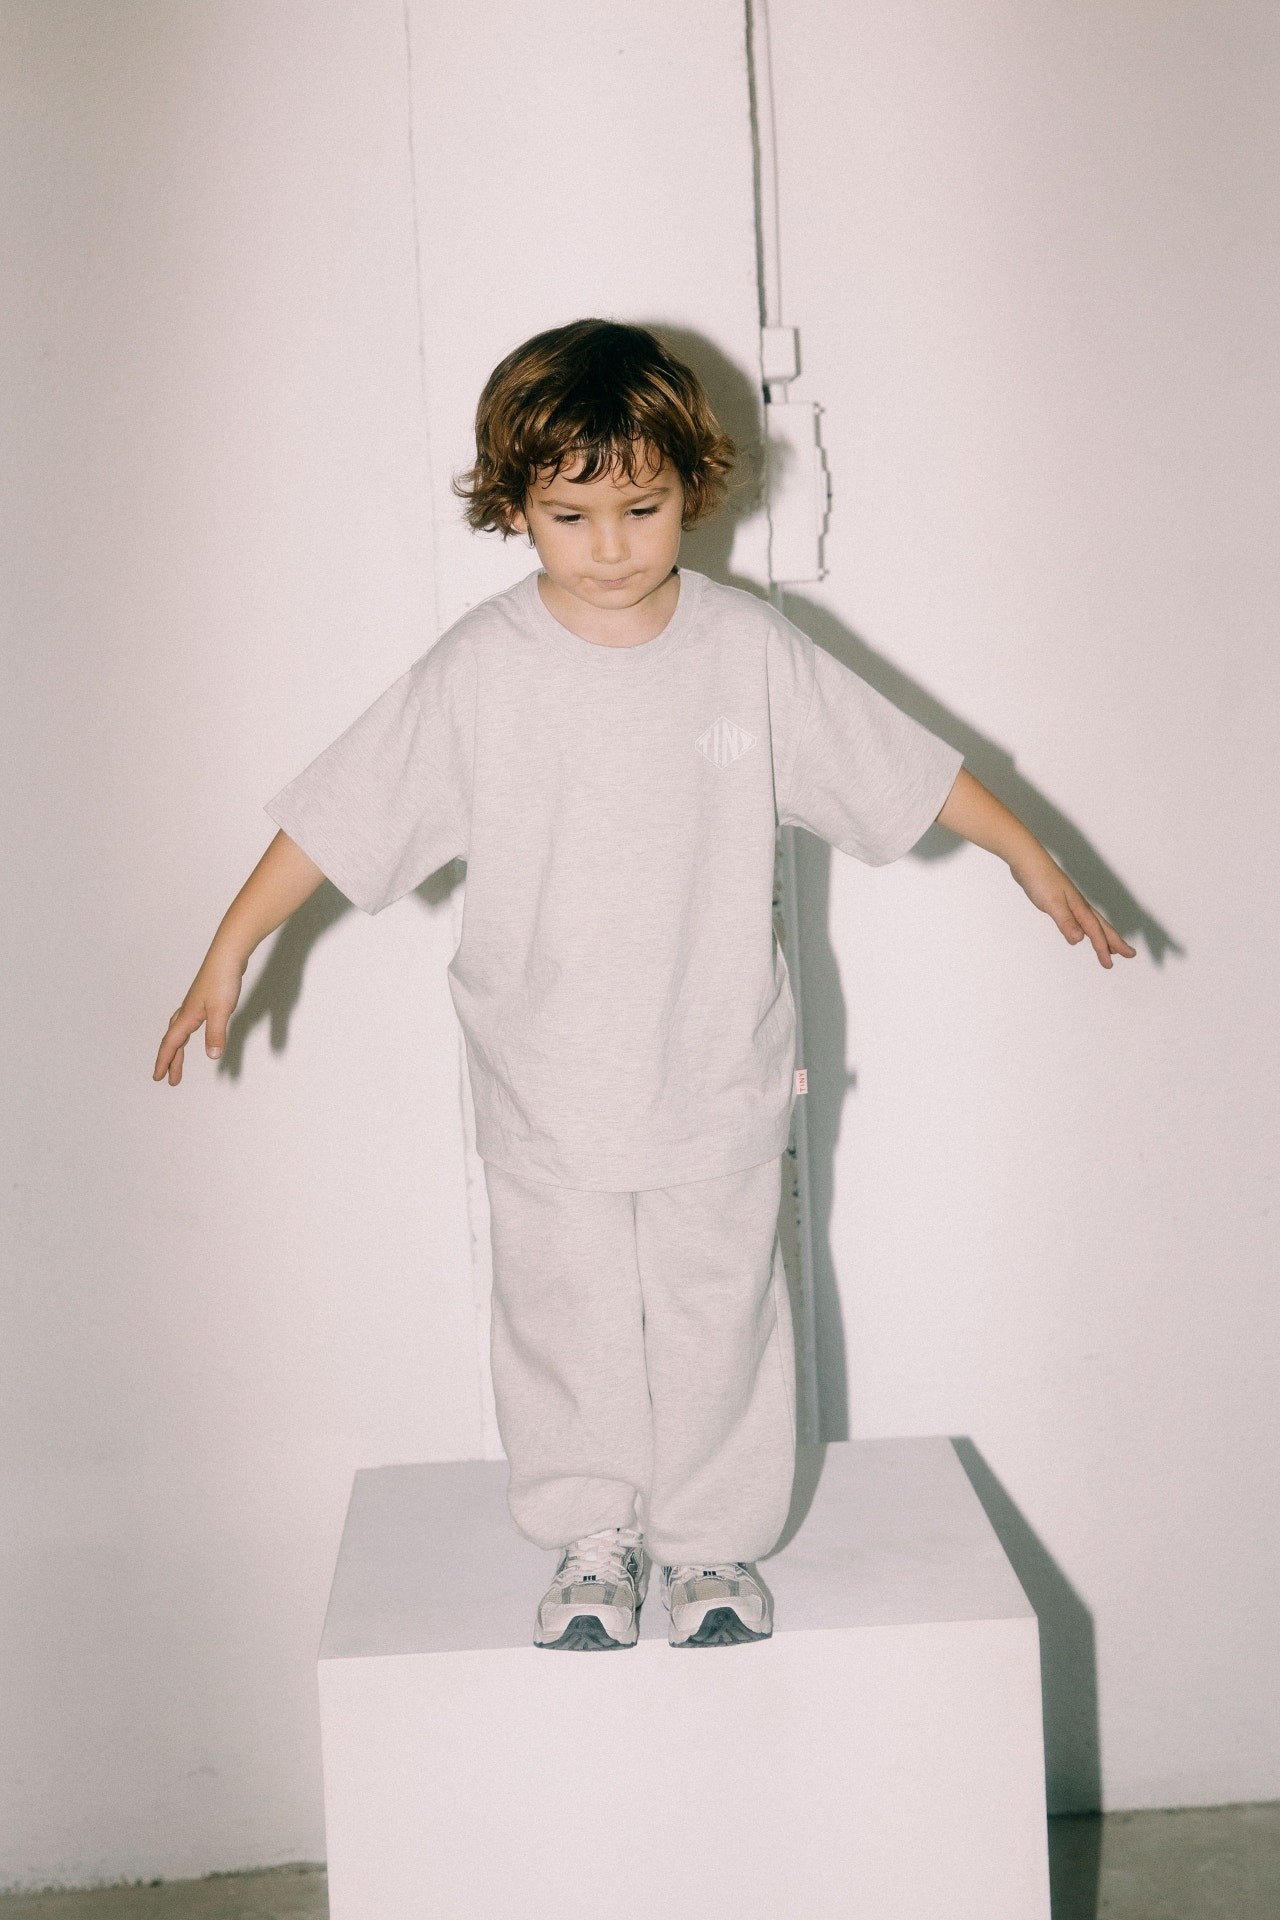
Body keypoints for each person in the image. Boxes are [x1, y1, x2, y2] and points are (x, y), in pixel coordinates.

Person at [154, 319, 1134, 1651]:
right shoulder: (482, 668)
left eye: (642, 508)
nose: (610, 546)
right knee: (563, 1318)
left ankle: (711, 1546)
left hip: (715, 1069)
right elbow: (343, 814)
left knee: (720, 1310)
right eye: (571, 515)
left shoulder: (747, 651)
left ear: (692, 491)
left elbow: (898, 764)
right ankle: (591, 1536)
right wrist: (232, 944)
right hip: (545, 1077)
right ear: (514, 505)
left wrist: (1027, 852)